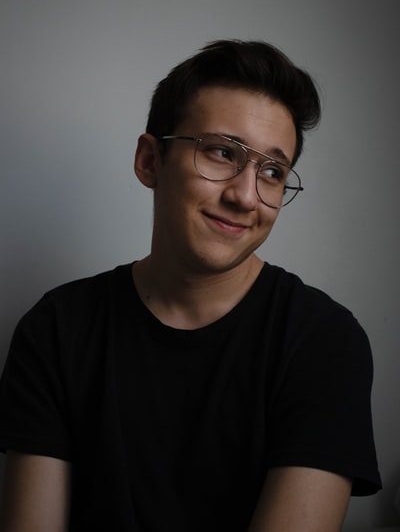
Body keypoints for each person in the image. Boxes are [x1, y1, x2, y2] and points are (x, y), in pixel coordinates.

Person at [0, 39, 381, 531]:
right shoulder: (55, 329)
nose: (246, 196)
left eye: (272, 171)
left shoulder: (324, 342)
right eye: (223, 152)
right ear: (150, 161)